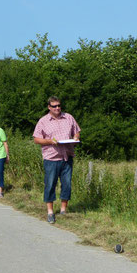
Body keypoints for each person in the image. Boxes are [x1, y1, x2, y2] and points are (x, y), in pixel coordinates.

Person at [33, 96, 81, 224]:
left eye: (59, 105)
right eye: (54, 106)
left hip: (67, 156)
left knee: (67, 184)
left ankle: (63, 210)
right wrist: (49, 141)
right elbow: (36, 139)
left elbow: (77, 131)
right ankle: (50, 211)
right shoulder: (43, 121)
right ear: (49, 107)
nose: (57, 108)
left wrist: (76, 138)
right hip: (51, 157)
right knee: (50, 184)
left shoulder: (68, 117)